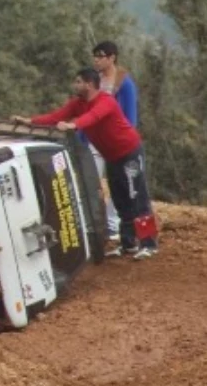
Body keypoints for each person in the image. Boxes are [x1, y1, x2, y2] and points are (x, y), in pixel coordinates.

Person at [12, 68, 158, 259]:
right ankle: (128, 243)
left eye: (78, 82)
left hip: (129, 152)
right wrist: (29, 121)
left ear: (89, 84)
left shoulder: (106, 101)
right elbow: (55, 117)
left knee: (137, 198)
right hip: (112, 156)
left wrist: (74, 125)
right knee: (121, 200)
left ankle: (149, 244)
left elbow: (94, 116)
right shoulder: (78, 104)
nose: (75, 85)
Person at [89, 40, 139, 240]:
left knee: (119, 183)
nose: (96, 60)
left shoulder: (123, 81)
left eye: (100, 56)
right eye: (95, 56)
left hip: (115, 141)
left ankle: (113, 223)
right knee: (91, 181)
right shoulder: (94, 81)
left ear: (112, 58)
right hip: (95, 139)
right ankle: (95, 223)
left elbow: (130, 115)